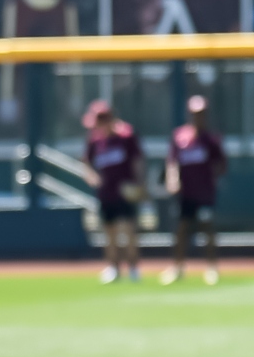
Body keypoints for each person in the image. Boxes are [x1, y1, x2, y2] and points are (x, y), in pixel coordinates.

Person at [161, 95, 227, 286]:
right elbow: (172, 162)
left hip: (205, 193)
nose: (198, 117)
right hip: (186, 194)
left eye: (201, 113)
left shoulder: (211, 139)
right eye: (195, 113)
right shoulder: (180, 137)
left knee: (207, 228)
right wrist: (172, 180)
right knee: (182, 229)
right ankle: (178, 267)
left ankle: (212, 268)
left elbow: (221, 165)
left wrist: (210, 176)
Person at [82, 100, 145, 284]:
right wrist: (92, 177)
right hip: (106, 194)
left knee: (128, 231)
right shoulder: (95, 140)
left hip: (126, 193)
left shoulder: (126, 136)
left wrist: (140, 184)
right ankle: (114, 268)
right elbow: (86, 163)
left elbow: (137, 161)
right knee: (109, 234)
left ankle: (133, 268)